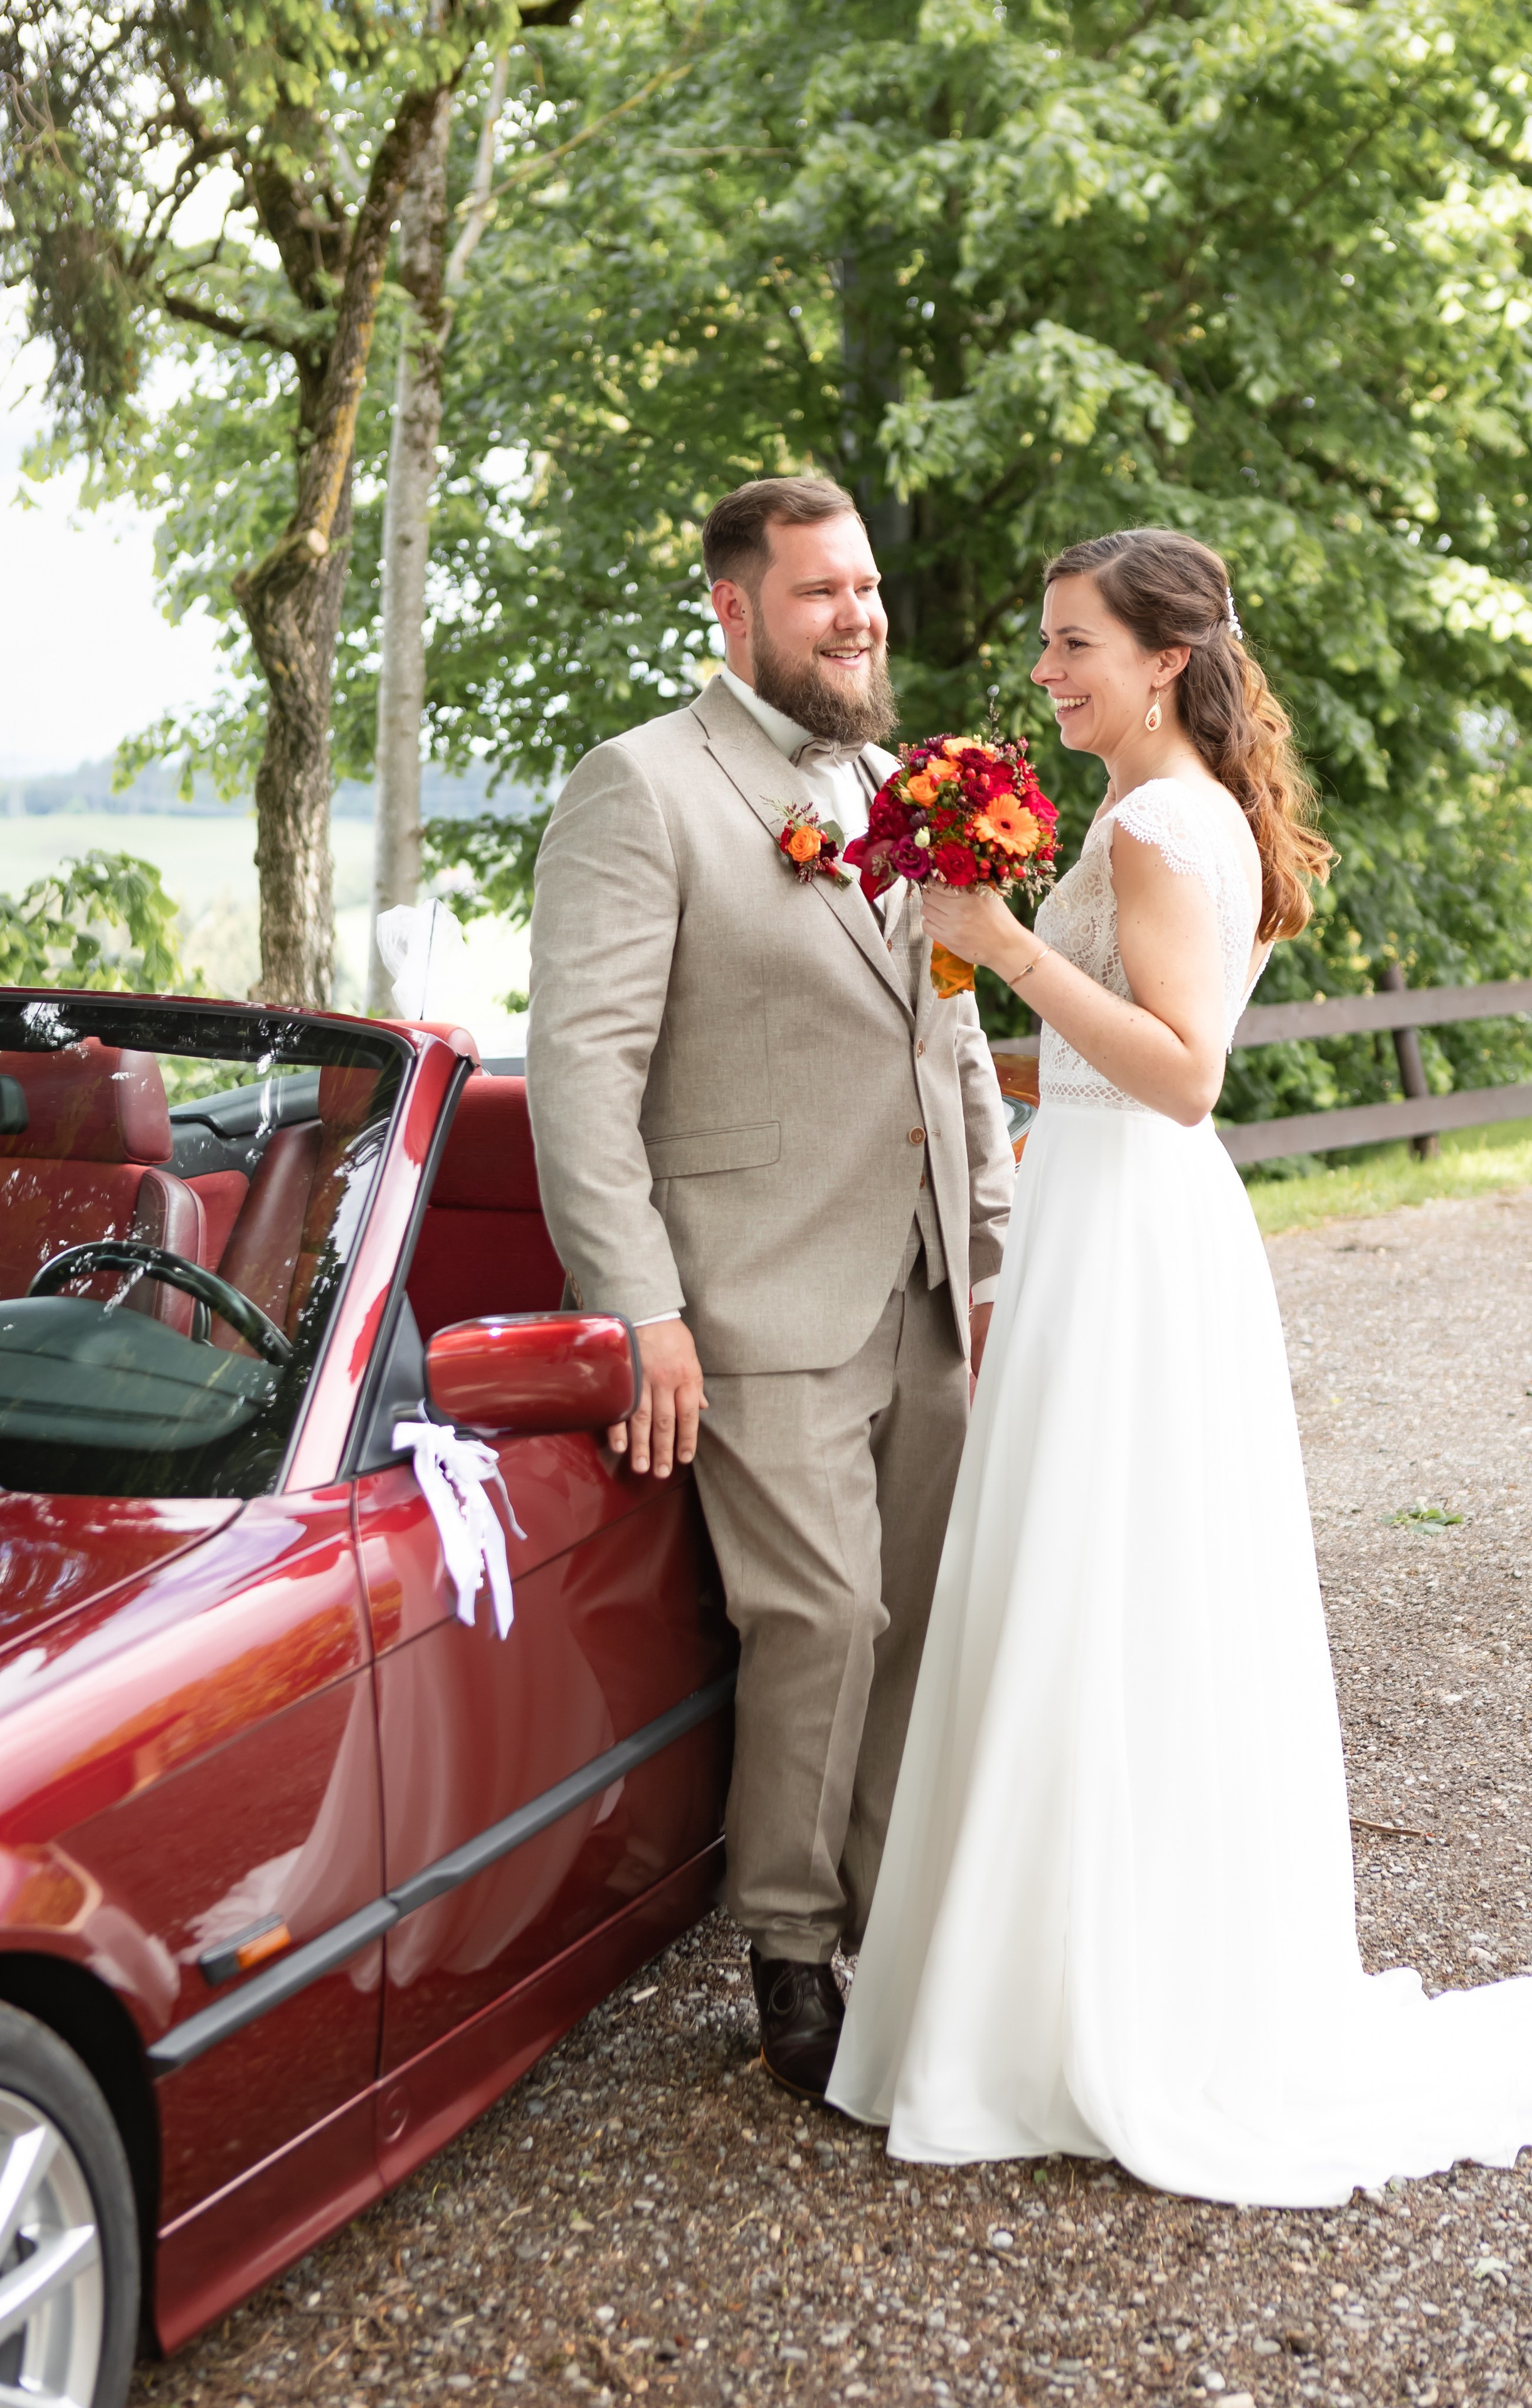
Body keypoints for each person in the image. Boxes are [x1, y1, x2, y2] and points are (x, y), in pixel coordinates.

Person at [827, 527, 1532, 2201]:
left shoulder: (1165, 824)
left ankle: (1103, 2010)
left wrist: (1002, 945)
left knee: (1103, 1590)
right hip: (1098, 1216)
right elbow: (1100, 1064)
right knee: (1098, 1591)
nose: (1047, 670)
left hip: (1135, 1225)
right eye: (1049, 641)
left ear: (1164, 659)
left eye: (1075, 643)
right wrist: (975, 1031)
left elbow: (1184, 1075)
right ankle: (1061, 1979)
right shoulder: (1166, 809)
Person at [526, 475, 1017, 2102]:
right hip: (752, 1295)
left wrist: (993, 1256)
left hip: (924, 1284)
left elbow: (952, 1040)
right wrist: (642, 1309)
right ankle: (790, 1946)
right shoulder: (640, 788)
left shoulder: (896, 783)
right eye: (822, 591)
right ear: (734, 608)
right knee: (822, 1616)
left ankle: (891, 1929)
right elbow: (583, 1078)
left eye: (865, 586)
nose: (859, 614)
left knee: (921, 1622)